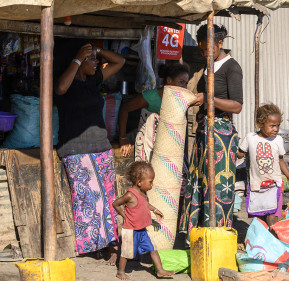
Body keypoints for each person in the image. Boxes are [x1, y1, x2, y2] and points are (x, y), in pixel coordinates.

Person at [55, 43, 125, 264]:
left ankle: (112, 245)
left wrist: (97, 50)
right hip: (75, 150)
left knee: (108, 198)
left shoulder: (94, 80)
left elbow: (119, 62)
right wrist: (78, 57)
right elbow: (61, 89)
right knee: (89, 199)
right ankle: (94, 244)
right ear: (78, 61)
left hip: (100, 146)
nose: (96, 63)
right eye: (91, 60)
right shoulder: (64, 82)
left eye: (96, 59)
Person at [179, 24, 243, 241]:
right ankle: (196, 235)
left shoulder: (231, 67)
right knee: (199, 182)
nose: (205, 53)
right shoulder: (210, 66)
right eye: (202, 50)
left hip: (221, 136)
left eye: (209, 49)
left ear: (220, 44)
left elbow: (237, 105)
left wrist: (208, 99)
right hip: (205, 130)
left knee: (217, 187)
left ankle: (216, 236)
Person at [237, 104, 289, 226]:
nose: (276, 129)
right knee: (259, 219)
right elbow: (240, 154)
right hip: (257, 185)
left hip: (274, 185)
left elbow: (281, 161)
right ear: (260, 124)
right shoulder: (250, 138)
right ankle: (261, 242)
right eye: (272, 126)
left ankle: (272, 241)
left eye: (278, 125)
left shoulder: (278, 140)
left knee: (272, 218)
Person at [112, 161, 174, 280]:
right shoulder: (130, 195)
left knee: (152, 249)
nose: (152, 184)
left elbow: (145, 204)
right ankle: (120, 272)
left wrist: (155, 209)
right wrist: (124, 215)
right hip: (131, 230)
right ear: (139, 182)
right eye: (150, 182)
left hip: (142, 230)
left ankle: (160, 270)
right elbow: (116, 204)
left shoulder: (143, 193)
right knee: (126, 252)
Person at [118, 62, 190, 157]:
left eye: (186, 83)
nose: (184, 87)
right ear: (169, 80)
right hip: (147, 148)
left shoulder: (180, 100)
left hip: (167, 149)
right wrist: (123, 138)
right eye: (181, 82)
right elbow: (124, 109)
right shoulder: (151, 96)